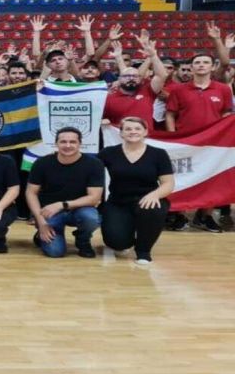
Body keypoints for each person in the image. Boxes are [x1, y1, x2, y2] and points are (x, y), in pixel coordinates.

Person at [165, 53, 233, 233]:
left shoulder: (223, 89)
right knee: (181, 177)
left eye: (205, 62)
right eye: (197, 63)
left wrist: (225, 134)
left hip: (213, 143)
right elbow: (170, 114)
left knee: (212, 179)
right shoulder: (178, 90)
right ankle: (178, 214)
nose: (201, 65)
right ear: (191, 67)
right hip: (185, 142)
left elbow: (226, 114)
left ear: (212, 67)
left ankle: (205, 216)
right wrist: (173, 138)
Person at [99, 117, 174, 264]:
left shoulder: (158, 154)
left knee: (153, 209)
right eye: (128, 129)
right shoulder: (109, 153)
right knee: (117, 243)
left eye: (137, 129)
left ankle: (143, 250)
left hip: (147, 200)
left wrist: (154, 195)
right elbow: (88, 166)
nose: (133, 132)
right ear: (121, 133)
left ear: (145, 132)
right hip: (118, 202)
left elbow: (168, 183)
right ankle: (126, 234)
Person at [25, 127, 104, 258]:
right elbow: (30, 193)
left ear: (80, 144)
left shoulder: (94, 164)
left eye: (72, 142)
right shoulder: (42, 163)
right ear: (56, 143)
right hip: (49, 212)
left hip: (79, 209)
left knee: (92, 218)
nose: (68, 145)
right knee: (55, 252)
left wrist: (62, 204)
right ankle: (41, 233)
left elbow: (94, 198)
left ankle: (83, 240)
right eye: (63, 142)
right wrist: (41, 222)